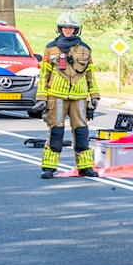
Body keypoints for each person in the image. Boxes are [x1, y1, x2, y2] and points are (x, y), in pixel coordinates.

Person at [38, 11, 99, 178]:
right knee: (56, 132)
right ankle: (49, 168)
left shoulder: (85, 50)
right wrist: (41, 98)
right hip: (56, 96)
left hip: (79, 97)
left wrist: (94, 96)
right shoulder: (51, 48)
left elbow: (90, 74)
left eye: (71, 28)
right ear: (60, 28)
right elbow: (44, 74)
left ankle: (85, 167)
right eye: (65, 27)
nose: (67, 30)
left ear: (76, 30)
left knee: (81, 132)